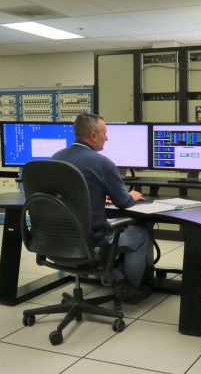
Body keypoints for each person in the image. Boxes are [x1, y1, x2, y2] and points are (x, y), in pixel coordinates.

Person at [52, 113, 149, 304]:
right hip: (91, 240)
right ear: (94, 135)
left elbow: (65, 194)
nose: (107, 137)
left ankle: (114, 275)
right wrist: (132, 195)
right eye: (105, 133)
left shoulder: (56, 158)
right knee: (140, 236)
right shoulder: (102, 163)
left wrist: (94, 196)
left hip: (55, 237)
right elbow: (124, 203)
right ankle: (129, 288)